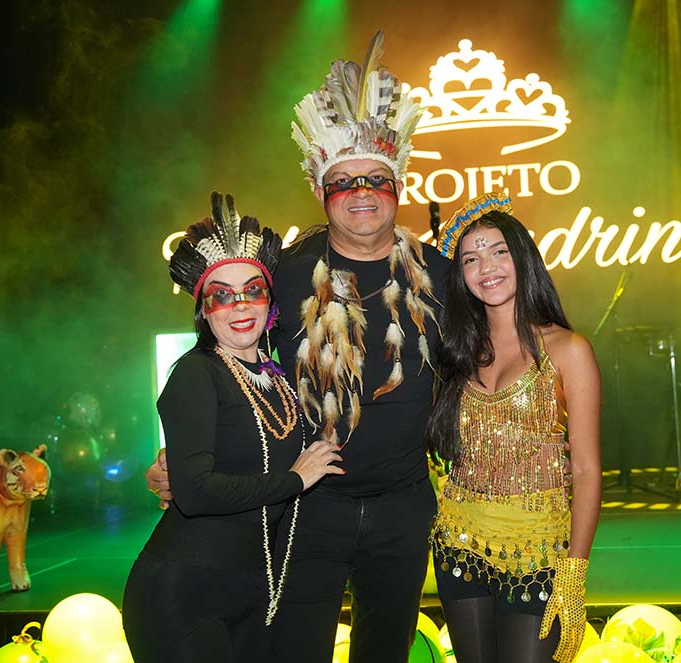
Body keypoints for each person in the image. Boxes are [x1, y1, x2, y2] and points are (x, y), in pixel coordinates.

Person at [147, 32, 447, 662]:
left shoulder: (441, 276)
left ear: (398, 186)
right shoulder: (283, 275)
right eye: (344, 182)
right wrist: (184, 452)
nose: (362, 192)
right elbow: (228, 361)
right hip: (307, 505)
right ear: (319, 191)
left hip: (404, 506)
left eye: (377, 179)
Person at [123, 193, 344, 663]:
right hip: (183, 599)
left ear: (270, 301)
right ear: (204, 309)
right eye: (221, 295)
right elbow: (196, 492)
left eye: (252, 291)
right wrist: (294, 479)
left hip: (255, 597)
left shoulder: (280, 379)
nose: (239, 306)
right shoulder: (196, 373)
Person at [425, 194, 602, 663]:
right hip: (459, 549)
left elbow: (586, 471)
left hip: (538, 557)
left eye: (499, 251)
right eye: (471, 258)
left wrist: (574, 572)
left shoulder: (568, 350)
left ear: (522, 257)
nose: (487, 267)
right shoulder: (455, 351)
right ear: (460, 276)